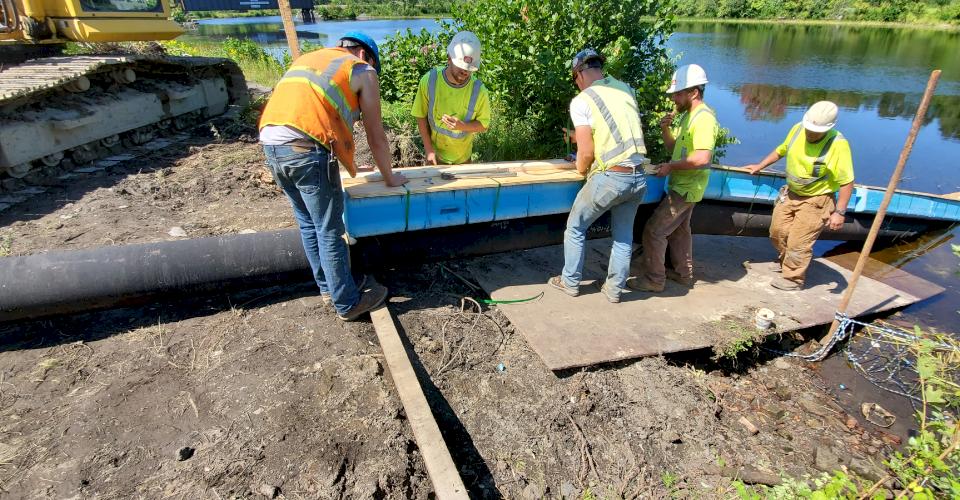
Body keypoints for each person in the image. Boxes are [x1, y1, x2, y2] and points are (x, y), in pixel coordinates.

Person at [258, 32, 408, 321]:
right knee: (330, 229)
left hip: (272, 146)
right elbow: (376, 137)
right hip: (306, 149)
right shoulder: (363, 70)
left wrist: (348, 166)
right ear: (365, 55)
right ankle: (347, 303)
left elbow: (313, 115)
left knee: (309, 224)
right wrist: (389, 177)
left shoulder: (312, 59)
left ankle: (330, 288)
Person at [547, 49, 648, 303]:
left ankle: (570, 282)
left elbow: (587, 153)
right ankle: (614, 290)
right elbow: (613, 132)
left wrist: (580, 169)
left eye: (575, 79)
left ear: (579, 73)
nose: (577, 84)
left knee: (575, 226)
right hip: (638, 175)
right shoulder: (625, 89)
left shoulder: (583, 100)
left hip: (611, 177)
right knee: (623, 236)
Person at [742, 101, 854, 290]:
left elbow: (847, 181)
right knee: (777, 232)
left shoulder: (838, 145)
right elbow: (781, 150)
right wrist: (759, 166)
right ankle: (785, 261)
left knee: (798, 242)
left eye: (815, 131)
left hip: (817, 200)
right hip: (792, 194)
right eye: (809, 129)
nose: (810, 133)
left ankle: (793, 279)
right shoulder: (797, 129)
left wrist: (839, 212)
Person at [630, 63, 718, 293]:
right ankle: (683, 274)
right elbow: (673, 148)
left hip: (687, 187)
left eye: (678, 94)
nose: (674, 99)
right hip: (684, 185)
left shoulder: (704, 119)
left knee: (654, 231)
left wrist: (670, 167)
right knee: (680, 231)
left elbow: (702, 158)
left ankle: (654, 279)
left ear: (694, 92)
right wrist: (665, 130)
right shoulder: (689, 117)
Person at [411, 31, 491, 165]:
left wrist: (462, 126)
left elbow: (484, 125)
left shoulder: (479, 90)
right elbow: (420, 115)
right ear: (449, 59)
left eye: (470, 69)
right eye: (461, 67)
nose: (465, 72)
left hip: (463, 159)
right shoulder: (429, 81)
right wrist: (429, 150)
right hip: (435, 157)